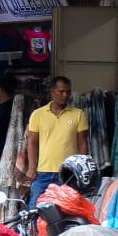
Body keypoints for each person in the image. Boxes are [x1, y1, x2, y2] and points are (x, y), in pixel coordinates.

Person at [24, 75, 89, 204]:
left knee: (67, 209)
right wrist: (32, 167)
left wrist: (82, 169)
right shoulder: (38, 114)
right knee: (35, 209)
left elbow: (82, 143)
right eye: (61, 91)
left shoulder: (78, 114)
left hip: (68, 173)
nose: (65, 95)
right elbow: (32, 143)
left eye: (68, 92)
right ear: (52, 92)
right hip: (43, 172)